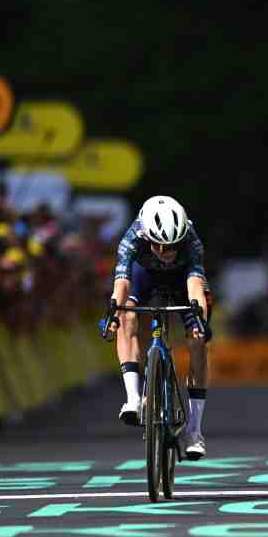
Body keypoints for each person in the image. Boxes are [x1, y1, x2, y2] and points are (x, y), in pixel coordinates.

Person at [107, 195, 211, 459]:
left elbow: (195, 286)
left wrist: (198, 318)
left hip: (181, 281)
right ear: (146, 235)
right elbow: (122, 282)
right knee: (126, 317)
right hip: (145, 278)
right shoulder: (132, 237)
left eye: (174, 246)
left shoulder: (191, 241)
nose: (167, 253)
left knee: (198, 338)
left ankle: (194, 430)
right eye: (160, 247)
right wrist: (113, 314)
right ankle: (133, 397)